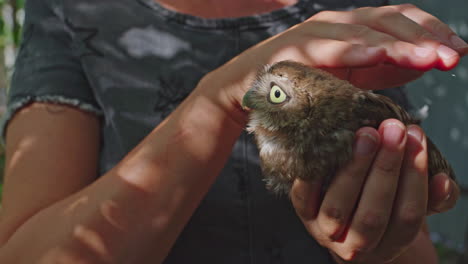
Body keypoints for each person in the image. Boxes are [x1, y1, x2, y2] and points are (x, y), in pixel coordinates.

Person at [0, 0, 465, 263]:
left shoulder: (343, 10)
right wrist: (220, 100)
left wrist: (377, 241)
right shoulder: (73, 11)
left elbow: (409, 245)